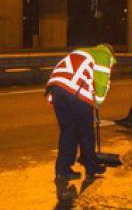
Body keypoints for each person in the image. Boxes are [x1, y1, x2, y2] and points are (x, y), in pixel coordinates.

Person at [45, 44, 116, 181]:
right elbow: (102, 83)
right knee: (85, 132)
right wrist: (97, 103)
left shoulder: (81, 52)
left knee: (68, 131)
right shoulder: (104, 56)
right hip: (76, 91)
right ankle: (90, 166)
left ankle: (62, 171)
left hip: (56, 89)